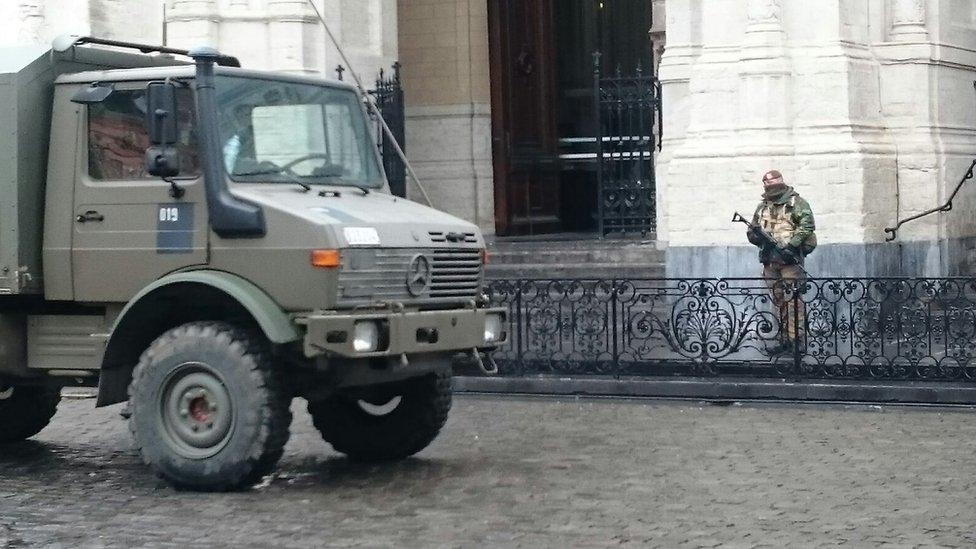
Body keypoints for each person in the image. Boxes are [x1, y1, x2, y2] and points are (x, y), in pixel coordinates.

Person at [746, 169, 817, 355]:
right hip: (770, 261)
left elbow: (807, 225)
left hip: (789, 262)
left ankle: (796, 340)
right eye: (768, 185)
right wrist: (755, 235)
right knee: (779, 301)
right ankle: (785, 339)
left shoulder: (797, 203)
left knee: (793, 301)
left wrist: (791, 247)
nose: (772, 188)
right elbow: (753, 231)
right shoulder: (763, 207)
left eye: (774, 184)